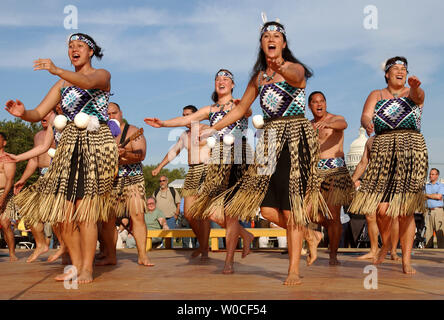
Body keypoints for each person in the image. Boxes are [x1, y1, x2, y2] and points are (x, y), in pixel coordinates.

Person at [195, 20, 329, 285]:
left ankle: (293, 270)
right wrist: (213, 129)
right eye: (266, 36)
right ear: (261, 44)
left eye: (276, 36)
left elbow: (297, 78)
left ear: (283, 43)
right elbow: (238, 108)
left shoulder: (294, 68)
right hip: (268, 139)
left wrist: (281, 67)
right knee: (266, 209)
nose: (271, 39)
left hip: (294, 137)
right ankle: (310, 235)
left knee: (291, 209)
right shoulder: (259, 78)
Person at [5, 33, 118, 283]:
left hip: (93, 145)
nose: (73, 50)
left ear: (91, 52)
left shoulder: (102, 74)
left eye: (79, 46)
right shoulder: (62, 84)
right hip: (67, 148)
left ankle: (88, 268)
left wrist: (56, 69)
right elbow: (39, 113)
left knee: (85, 210)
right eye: (70, 46)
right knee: (64, 213)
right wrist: (23, 113)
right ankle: (76, 266)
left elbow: (87, 83)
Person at [145, 68, 255, 274]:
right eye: (217, 79)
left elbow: (246, 112)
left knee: (231, 213)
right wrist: (163, 124)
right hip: (217, 161)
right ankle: (245, 235)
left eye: (225, 79)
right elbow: (187, 120)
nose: (221, 81)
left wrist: (245, 109)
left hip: (238, 158)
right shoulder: (210, 110)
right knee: (207, 210)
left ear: (232, 85)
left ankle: (229, 260)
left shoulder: (239, 103)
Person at [349, 56, 427, 274]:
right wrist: (367, 123)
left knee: (405, 210)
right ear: (387, 74)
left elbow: (418, 97)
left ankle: (406, 260)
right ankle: (386, 244)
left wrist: (414, 88)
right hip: (383, 148)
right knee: (382, 210)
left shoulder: (414, 92)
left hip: (410, 148)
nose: (401, 72)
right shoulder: (376, 94)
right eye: (396, 69)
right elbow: (365, 115)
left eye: (404, 69)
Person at [97, 102, 152, 267]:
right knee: (108, 220)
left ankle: (143, 255)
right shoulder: (100, 133)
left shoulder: (133, 131)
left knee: (137, 217)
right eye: (108, 114)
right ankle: (111, 256)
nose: (111, 116)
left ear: (121, 112)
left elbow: (141, 154)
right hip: (109, 180)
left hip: (132, 178)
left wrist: (125, 153)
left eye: (114, 113)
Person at [152, 105, 211, 258]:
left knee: (203, 214)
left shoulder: (208, 128)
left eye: (188, 115)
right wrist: (159, 166)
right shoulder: (185, 135)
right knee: (189, 213)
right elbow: (173, 152)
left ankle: (204, 248)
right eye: (183, 115)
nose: (185, 118)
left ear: (197, 115)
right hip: (192, 172)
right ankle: (203, 245)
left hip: (206, 170)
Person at [305, 91, 354, 265]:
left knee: (334, 215)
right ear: (309, 106)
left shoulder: (335, 119)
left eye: (322, 101)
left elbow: (343, 124)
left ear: (325, 103)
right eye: (315, 102)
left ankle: (333, 255)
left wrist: (329, 123)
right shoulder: (308, 125)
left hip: (335, 171)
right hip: (315, 173)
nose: (319, 105)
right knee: (305, 211)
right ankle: (319, 232)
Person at [12, 110, 67, 263]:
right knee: (31, 212)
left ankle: (64, 247)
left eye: (48, 114)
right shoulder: (38, 136)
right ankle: (41, 244)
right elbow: (34, 160)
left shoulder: (61, 130)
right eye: (42, 114)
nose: (44, 117)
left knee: (55, 216)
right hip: (42, 177)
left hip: (57, 175)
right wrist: (23, 179)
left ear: (55, 115)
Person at [351, 136, 400, 260]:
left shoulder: (395, 138)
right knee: (369, 215)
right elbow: (363, 162)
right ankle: (374, 250)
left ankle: (393, 251)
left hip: (392, 180)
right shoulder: (370, 141)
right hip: (373, 180)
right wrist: (352, 180)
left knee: (391, 216)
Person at [0, 132, 18, 261]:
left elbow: (10, 180)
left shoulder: (8, 158)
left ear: (4, 142)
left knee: (5, 224)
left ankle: (12, 253)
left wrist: (2, 199)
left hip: (5, 192)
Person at [424, 168, 444, 248]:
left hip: (438, 211)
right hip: (428, 211)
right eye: (430, 174)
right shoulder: (426, 186)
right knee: (428, 233)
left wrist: (427, 195)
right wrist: (433, 196)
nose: (430, 176)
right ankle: (428, 252)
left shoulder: (441, 186)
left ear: (437, 176)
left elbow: (439, 196)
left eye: (433, 174)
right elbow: (422, 196)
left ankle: (441, 252)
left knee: (440, 234)